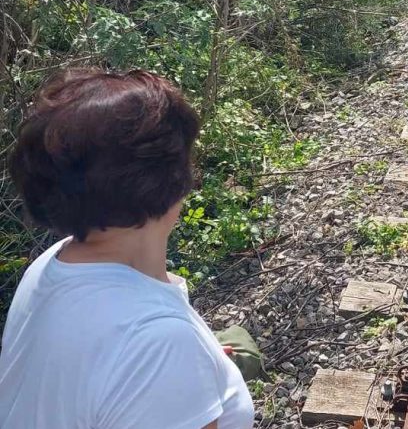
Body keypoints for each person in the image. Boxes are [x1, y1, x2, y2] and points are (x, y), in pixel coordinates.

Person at [0, 69, 254, 429]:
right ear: (173, 179)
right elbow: (138, 346)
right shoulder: (159, 345)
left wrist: (198, 362)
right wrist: (173, 364)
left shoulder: (53, 263)